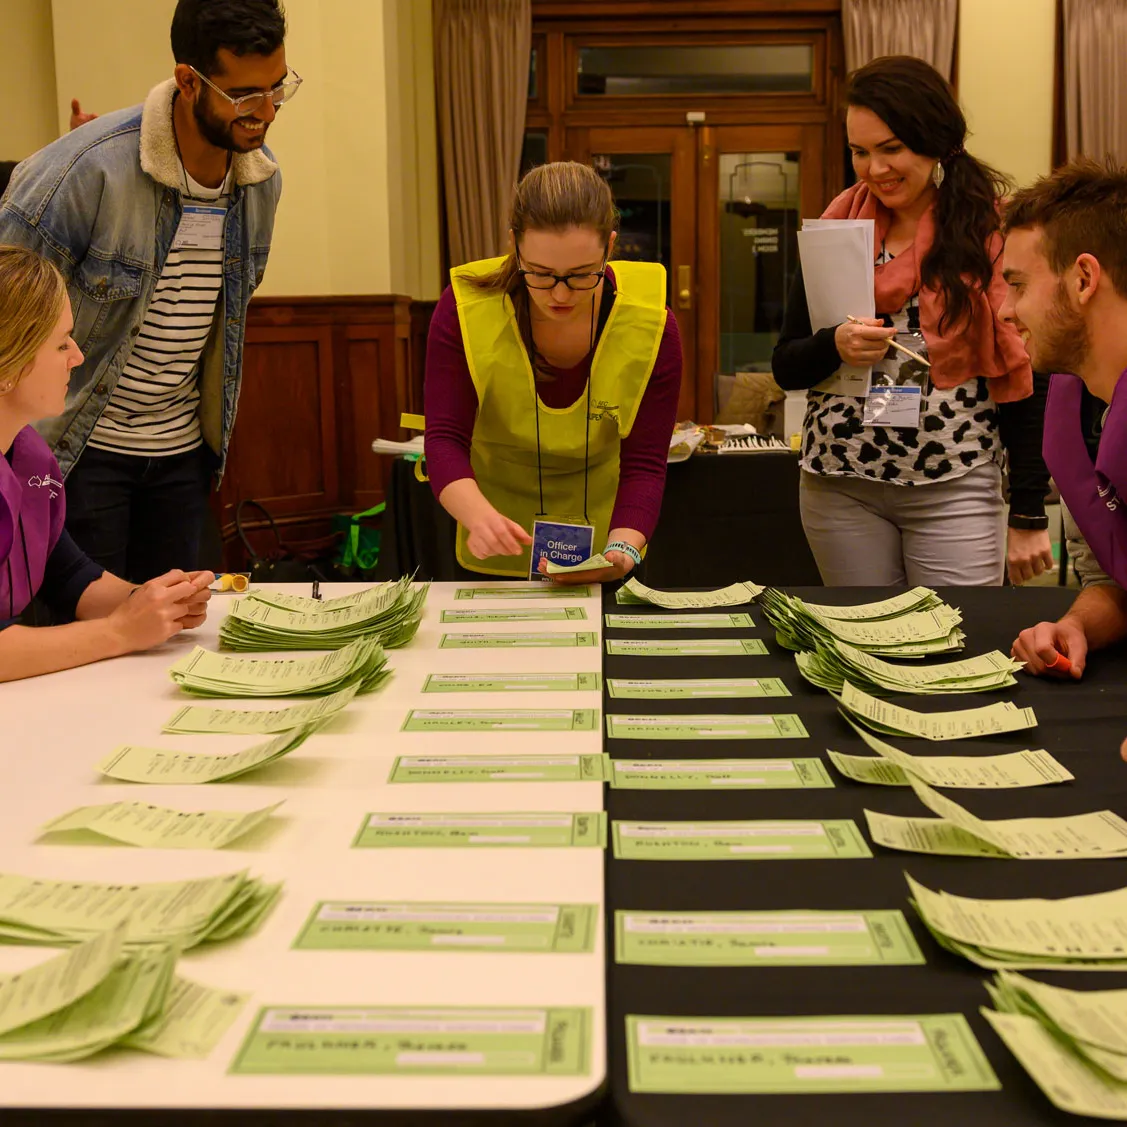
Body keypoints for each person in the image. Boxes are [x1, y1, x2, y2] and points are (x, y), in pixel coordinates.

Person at [0, 0, 296, 584]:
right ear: (188, 80)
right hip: (78, 454)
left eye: (277, 87)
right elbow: (7, 308)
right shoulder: (85, 173)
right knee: (89, 646)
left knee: (184, 637)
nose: (265, 112)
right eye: (243, 95)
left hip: (183, 455)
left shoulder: (262, 180)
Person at [772, 55, 1051, 587]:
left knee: (956, 651)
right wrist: (835, 345)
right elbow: (787, 364)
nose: (875, 169)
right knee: (864, 651)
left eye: (891, 149)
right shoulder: (837, 229)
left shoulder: (988, 234)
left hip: (955, 484)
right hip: (841, 486)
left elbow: (1028, 374)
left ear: (935, 141)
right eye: (860, 152)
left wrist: (1029, 510)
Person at [423, 161, 682, 585]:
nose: (560, 295)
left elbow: (645, 464)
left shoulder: (652, 324)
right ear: (513, 244)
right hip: (493, 527)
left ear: (610, 247)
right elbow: (445, 438)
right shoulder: (464, 310)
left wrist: (622, 550)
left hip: (607, 540)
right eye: (540, 274)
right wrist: (479, 517)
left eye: (582, 276)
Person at [0, 246, 213, 683]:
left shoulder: (29, 456)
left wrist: (152, 600)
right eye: (61, 344)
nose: (77, 357)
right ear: (7, 364)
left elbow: (71, 575)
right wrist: (119, 631)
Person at [1002, 159, 1127, 680]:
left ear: (1083, 279)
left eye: (1017, 285)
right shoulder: (1073, 408)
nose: (1005, 312)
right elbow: (1116, 581)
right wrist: (1078, 624)